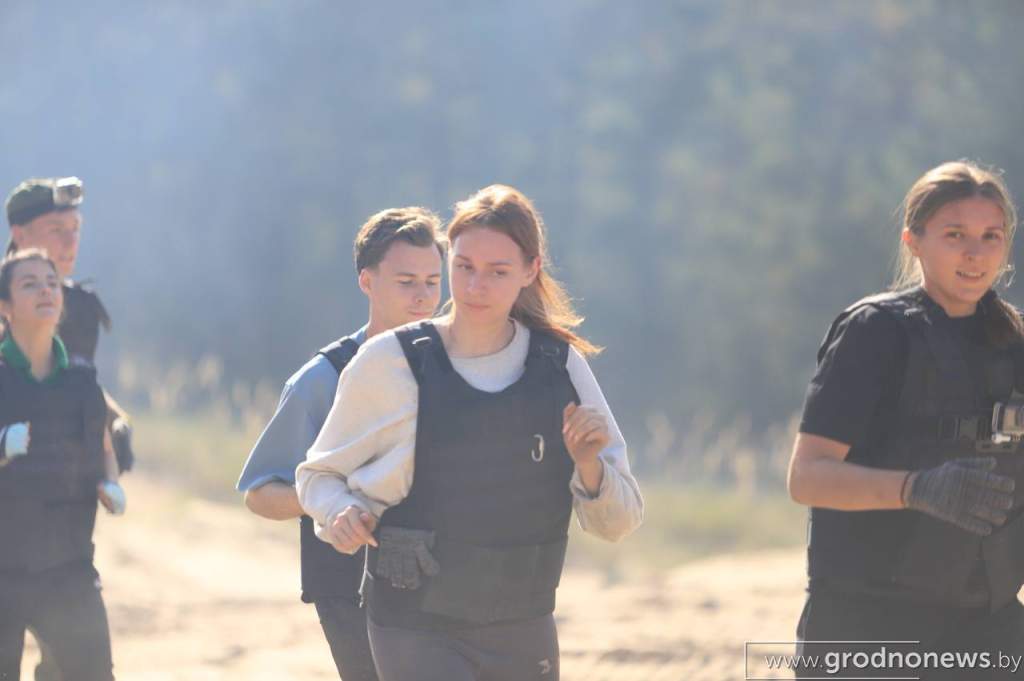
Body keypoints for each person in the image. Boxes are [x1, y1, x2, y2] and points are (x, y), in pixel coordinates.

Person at [297, 184, 644, 681]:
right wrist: (340, 513)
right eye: (464, 268)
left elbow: (619, 522)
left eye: (498, 272)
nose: (476, 286)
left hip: (522, 624)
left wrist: (589, 466)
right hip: (412, 625)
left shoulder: (558, 366)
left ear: (530, 270)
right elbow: (317, 477)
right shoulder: (389, 361)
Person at [788, 161, 1024, 679]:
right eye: (955, 235)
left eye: (991, 236)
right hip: (866, 624)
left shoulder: (1012, 342)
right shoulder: (875, 331)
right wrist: (916, 488)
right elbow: (806, 477)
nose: (974, 253)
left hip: (986, 622)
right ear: (914, 240)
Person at [237, 207, 446, 680]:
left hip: (442, 582)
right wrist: (332, 506)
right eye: (406, 281)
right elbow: (260, 494)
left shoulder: (458, 366)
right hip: (348, 588)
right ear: (367, 282)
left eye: (433, 281)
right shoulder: (321, 380)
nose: (422, 297)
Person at [0, 249, 125, 681]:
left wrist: (110, 483)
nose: (45, 290)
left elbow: (102, 442)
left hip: (68, 568)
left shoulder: (81, 381)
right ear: (4, 307)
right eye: (29, 283)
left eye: (51, 283)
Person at [5, 177, 134, 475]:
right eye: (56, 230)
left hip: (62, 493)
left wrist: (115, 419)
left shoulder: (79, 307)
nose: (71, 242)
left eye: (76, 229)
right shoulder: (4, 304)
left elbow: (74, 379)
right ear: (20, 235)